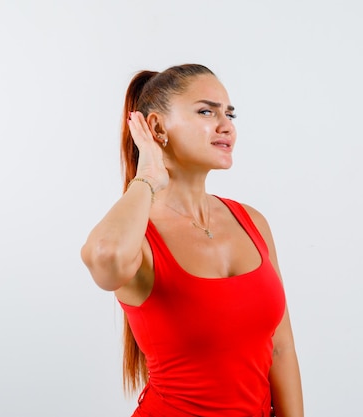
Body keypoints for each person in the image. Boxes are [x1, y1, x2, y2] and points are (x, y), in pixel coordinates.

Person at [81, 63, 303, 417]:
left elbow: (280, 347)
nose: (225, 125)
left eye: (229, 114)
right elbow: (105, 260)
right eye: (205, 111)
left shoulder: (252, 222)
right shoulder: (139, 236)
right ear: (156, 127)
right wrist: (149, 178)